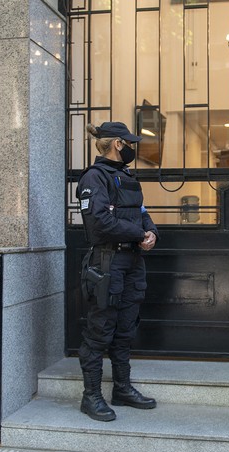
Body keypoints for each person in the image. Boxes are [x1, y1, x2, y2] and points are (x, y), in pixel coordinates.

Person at [76, 121, 159, 422]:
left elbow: (141, 213)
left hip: (132, 262)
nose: (132, 148)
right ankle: (91, 396)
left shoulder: (126, 177)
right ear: (118, 145)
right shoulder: (93, 179)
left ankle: (122, 389)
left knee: (125, 329)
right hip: (107, 263)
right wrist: (139, 234)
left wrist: (151, 233)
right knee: (100, 331)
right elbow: (99, 224)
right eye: (129, 143)